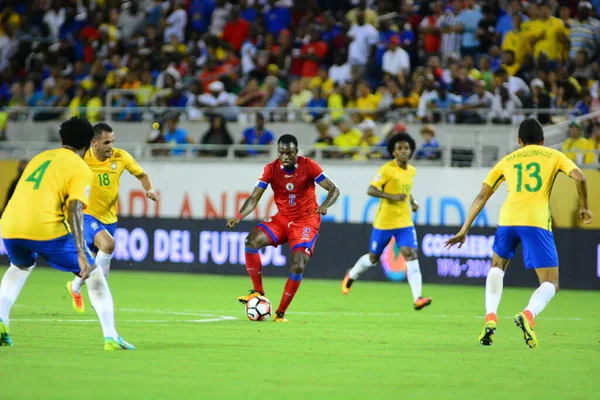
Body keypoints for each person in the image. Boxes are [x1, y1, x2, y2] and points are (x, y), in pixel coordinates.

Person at [445, 118, 593, 348]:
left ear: (519, 140)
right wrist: (584, 206)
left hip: (508, 220)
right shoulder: (553, 155)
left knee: (497, 267)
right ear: (543, 141)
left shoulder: (508, 159)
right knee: (550, 283)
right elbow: (580, 177)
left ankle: (490, 317)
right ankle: (528, 315)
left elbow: (482, 195)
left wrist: (464, 229)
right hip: (535, 221)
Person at [0, 116, 134, 350]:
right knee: (93, 274)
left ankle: (2, 320)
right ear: (88, 143)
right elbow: (74, 208)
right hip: (44, 226)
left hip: (10, 224)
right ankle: (111, 336)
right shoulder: (80, 167)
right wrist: (82, 252)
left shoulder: (39, 157)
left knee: (19, 266)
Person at [226, 135, 340, 322]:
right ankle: (258, 293)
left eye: (289, 153)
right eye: (281, 153)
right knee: (250, 241)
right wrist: (239, 216)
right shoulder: (270, 169)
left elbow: (334, 189)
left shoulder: (308, 165)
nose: (285, 157)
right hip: (282, 219)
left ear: (296, 152)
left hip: (306, 221)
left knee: (298, 264)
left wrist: (325, 205)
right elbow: (254, 198)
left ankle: (280, 313)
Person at [65, 122, 158, 313]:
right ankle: (100, 293)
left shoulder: (121, 156)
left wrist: (149, 190)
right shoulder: (82, 158)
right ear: (95, 142)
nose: (111, 146)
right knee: (108, 245)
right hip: (87, 215)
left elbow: (142, 175)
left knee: (92, 262)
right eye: (107, 142)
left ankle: (74, 286)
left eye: (113, 141)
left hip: (109, 218)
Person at [341, 133, 433, 311]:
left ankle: (418, 298)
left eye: (406, 148)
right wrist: (392, 196)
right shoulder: (386, 170)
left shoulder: (411, 171)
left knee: (411, 254)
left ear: (411, 150)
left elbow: (405, 190)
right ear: (393, 152)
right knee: (373, 258)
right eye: (399, 148)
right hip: (384, 222)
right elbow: (371, 190)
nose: (403, 151)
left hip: (404, 221)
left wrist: (412, 201)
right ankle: (351, 274)